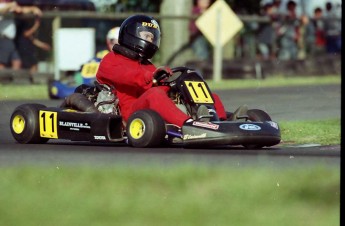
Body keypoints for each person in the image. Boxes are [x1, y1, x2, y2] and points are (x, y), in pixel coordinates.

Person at [96, 15, 227, 128]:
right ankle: (189, 125)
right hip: (129, 114)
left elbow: (159, 84)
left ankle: (220, 124)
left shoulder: (147, 65)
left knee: (209, 96)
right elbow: (127, 76)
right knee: (155, 94)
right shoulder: (111, 60)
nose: (150, 41)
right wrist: (152, 76)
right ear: (132, 35)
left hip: (150, 111)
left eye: (152, 38)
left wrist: (173, 84)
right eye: (146, 36)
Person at [0, 0, 42, 69]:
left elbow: (21, 10)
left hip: (10, 39)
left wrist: (33, 9)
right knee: (2, 63)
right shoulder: (5, 5)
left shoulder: (8, 5)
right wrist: (10, 6)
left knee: (17, 61)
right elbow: (1, 10)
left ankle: (12, 79)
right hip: (3, 38)